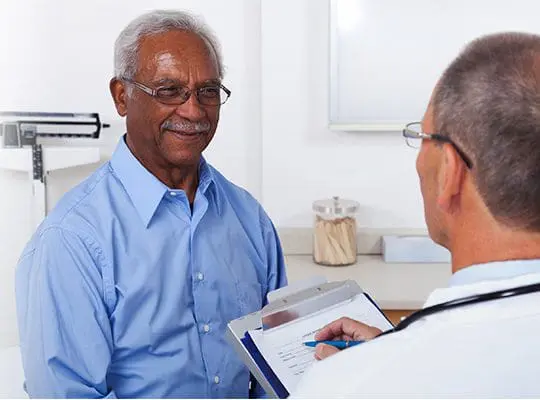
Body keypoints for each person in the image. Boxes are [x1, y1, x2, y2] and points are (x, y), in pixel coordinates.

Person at [15, 9, 286, 398]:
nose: (193, 111)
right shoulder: (72, 239)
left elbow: (273, 373)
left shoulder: (249, 218)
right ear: (121, 96)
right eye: (169, 90)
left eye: (208, 91)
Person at [293, 31, 540, 398]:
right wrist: (391, 353)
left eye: (425, 138)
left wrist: (374, 370)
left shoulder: (341, 387)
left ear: (450, 173)